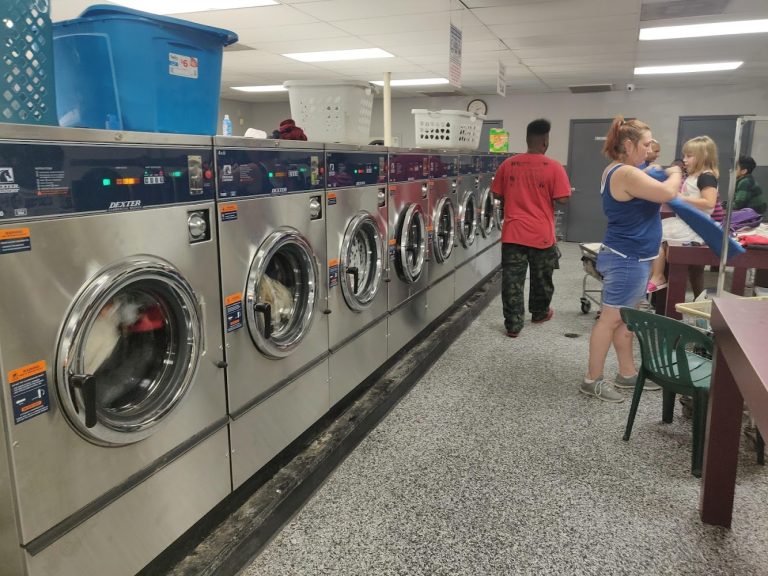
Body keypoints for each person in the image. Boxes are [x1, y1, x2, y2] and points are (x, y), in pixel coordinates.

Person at [582, 117, 681, 403]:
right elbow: (666, 193)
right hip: (626, 259)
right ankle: (592, 380)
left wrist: (653, 169)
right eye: (647, 144)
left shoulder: (622, 170)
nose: (650, 150)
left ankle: (626, 373)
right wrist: (675, 171)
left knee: (626, 321)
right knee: (610, 320)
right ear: (628, 144)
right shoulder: (625, 173)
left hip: (632, 256)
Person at [491, 118, 571, 338]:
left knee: (512, 280)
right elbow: (563, 198)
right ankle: (539, 313)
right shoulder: (553, 166)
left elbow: (496, 194)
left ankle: (513, 325)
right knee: (542, 278)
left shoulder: (508, 164)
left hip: (513, 233)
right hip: (541, 235)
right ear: (545, 142)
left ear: (527, 140)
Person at [647, 136, 720, 296]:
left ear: (703, 156)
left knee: (655, 235)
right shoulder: (694, 175)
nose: (684, 160)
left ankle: (658, 276)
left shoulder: (706, 177)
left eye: (689, 156)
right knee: (656, 232)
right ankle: (659, 277)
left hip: (695, 225)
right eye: (684, 155)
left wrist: (680, 198)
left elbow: (709, 203)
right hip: (686, 222)